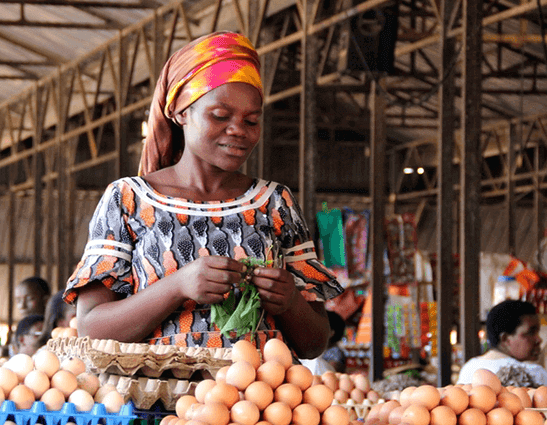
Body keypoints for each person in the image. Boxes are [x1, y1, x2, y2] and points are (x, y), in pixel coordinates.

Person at [64, 32, 343, 358]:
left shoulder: (275, 203)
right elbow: (91, 329)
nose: (238, 129)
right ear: (181, 112)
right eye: (220, 116)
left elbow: (315, 344)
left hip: (253, 405)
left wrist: (291, 302)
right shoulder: (129, 199)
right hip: (161, 403)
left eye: (251, 120)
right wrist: (177, 286)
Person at [457, 300, 547, 385]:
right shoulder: (534, 372)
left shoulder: (469, 367)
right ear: (505, 339)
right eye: (531, 333)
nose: (539, 339)